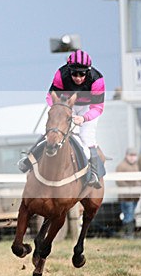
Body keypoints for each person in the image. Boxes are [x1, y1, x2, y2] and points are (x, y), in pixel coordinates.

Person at [18, 49, 106, 189]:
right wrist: (58, 109)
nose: (78, 77)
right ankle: (29, 159)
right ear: (69, 70)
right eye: (74, 73)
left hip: (88, 107)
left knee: (86, 136)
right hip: (66, 104)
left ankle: (94, 173)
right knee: (53, 130)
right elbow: (50, 96)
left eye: (82, 74)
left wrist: (83, 118)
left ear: (88, 72)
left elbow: (98, 108)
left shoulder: (97, 80)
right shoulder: (61, 74)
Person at [115, 147, 141, 238]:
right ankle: (129, 234)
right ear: (126, 156)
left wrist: (138, 186)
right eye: (130, 155)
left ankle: (127, 233)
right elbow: (119, 181)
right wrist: (129, 188)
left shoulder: (137, 166)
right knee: (128, 214)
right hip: (125, 196)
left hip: (135, 196)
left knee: (130, 214)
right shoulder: (121, 166)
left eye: (134, 155)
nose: (132, 158)